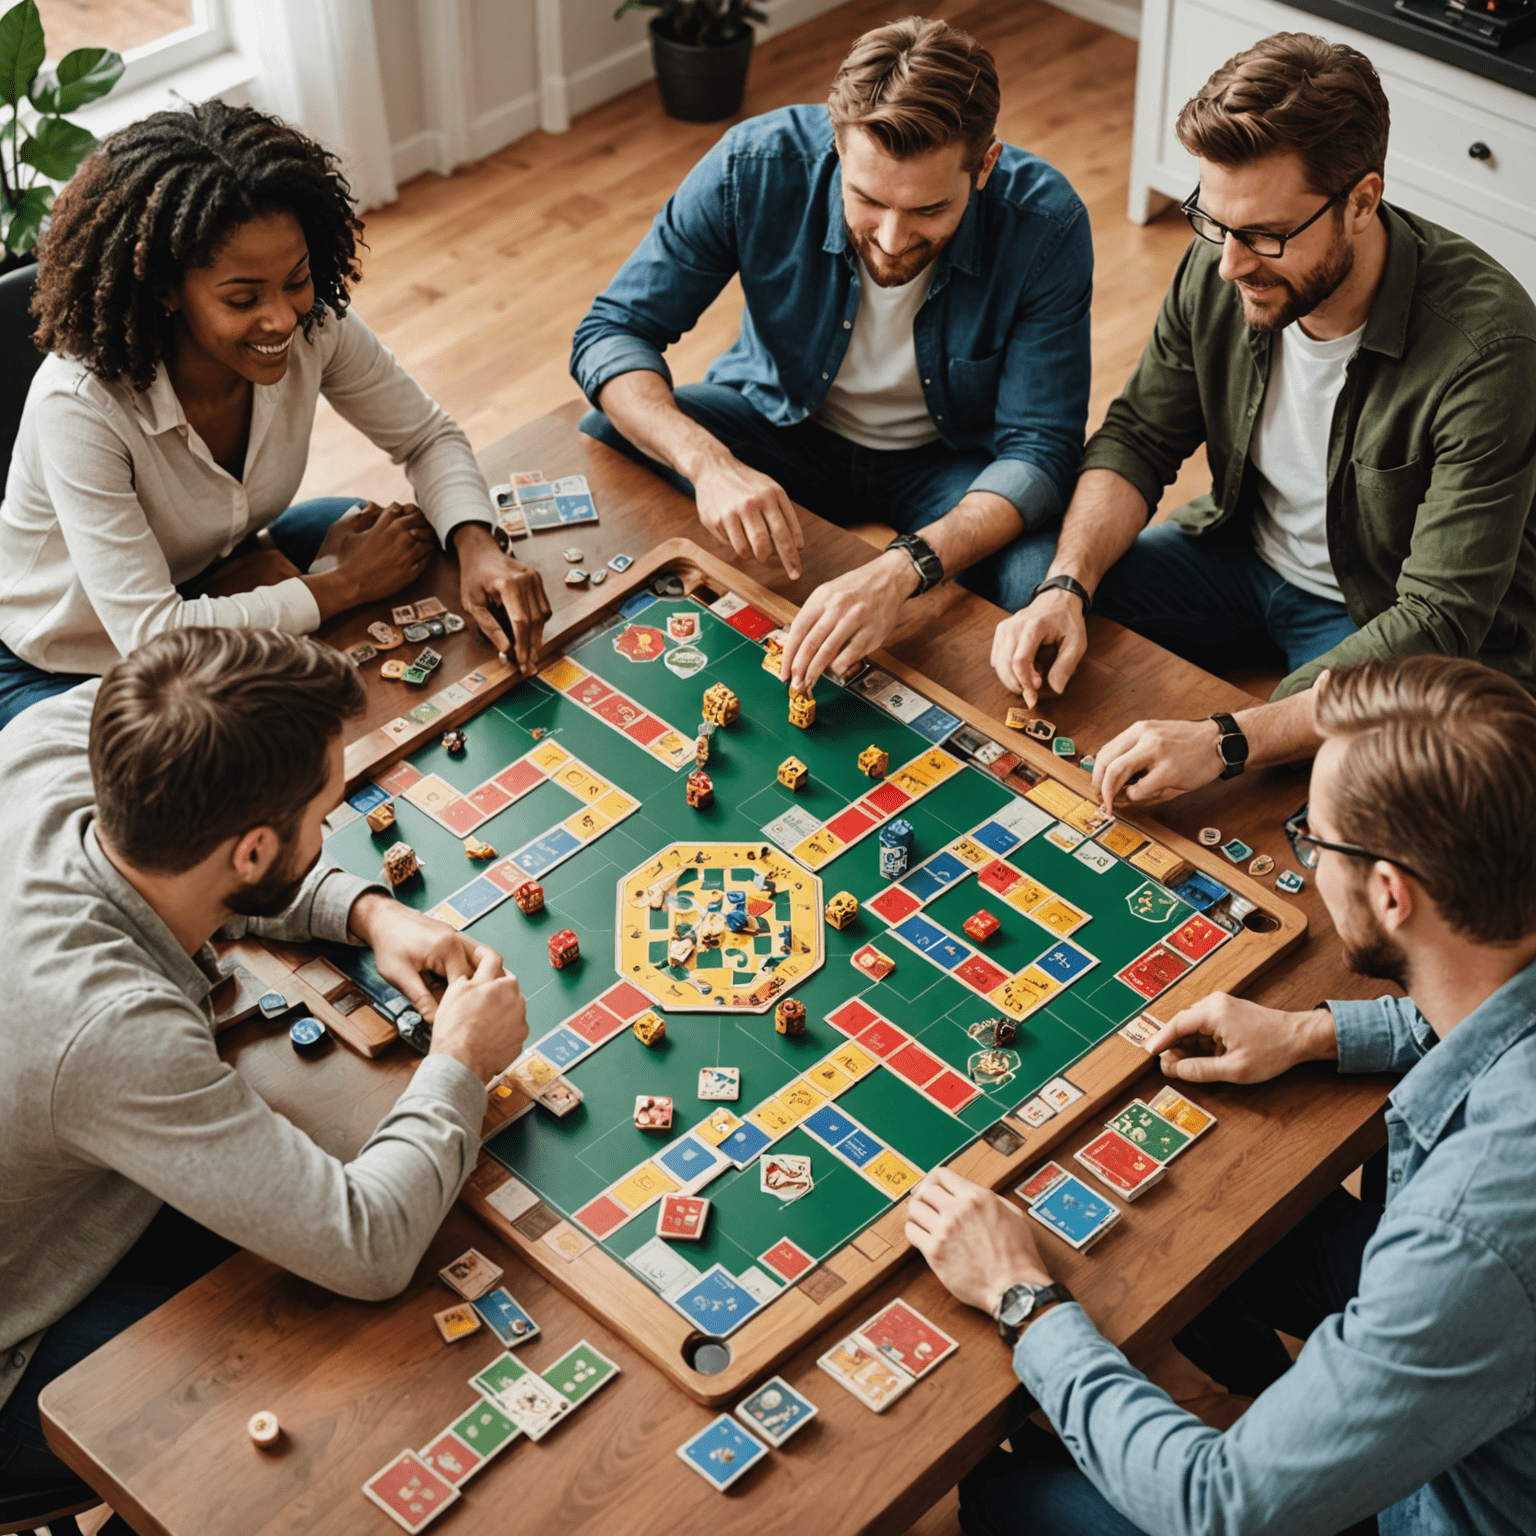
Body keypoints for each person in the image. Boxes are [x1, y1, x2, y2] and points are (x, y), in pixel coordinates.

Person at [906, 653, 1536, 1536]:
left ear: (1390, 895)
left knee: (1008, 1494)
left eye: (1310, 839)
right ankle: (1275, 1397)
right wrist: (1313, 1031)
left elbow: (1220, 1505)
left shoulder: (1472, 1226)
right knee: (1236, 1228)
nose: (1307, 858)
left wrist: (1021, 1296)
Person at [0, 627, 529, 1518]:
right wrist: (460, 1059)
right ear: (251, 853)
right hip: (18, 1340)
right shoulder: (114, 1029)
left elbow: (176, 876)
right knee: (341, 1381)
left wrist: (361, 911)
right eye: (319, 821)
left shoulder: (59, 736)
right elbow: (367, 1246)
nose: (327, 833)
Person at [989, 34, 1536, 816]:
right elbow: (1140, 436)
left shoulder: (1490, 348)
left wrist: (1227, 739)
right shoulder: (1226, 263)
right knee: (1028, 578)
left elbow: (1438, 619)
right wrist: (1065, 587)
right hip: (1240, 555)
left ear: (1361, 200)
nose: (1230, 265)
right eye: (1213, 223)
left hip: (1380, 616)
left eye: (1266, 236)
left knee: (1376, 785)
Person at [572, 16, 1091, 692]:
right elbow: (612, 331)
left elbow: (1041, 451)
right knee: (611, 433)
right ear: (838, 146)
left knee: (1034, 583)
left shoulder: (1046, 223)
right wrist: (710, 465)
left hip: (950, 463)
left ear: (984, 166)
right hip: (779, 422)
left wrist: (901, 569)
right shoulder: (751, 165)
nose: (893, 239)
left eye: (929, 210)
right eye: (868, 201)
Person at [0, 99, 550, 730]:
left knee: (412, 541)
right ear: (164, 289)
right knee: (207, 774)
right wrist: (345, 586)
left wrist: (479, 546)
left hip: (211, 567)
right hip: (70, 654)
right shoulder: (79, 406)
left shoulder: (313, 325)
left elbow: (425, 436)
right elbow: (153, 639)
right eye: (244, 298)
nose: (284, 318)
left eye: (296, 278)